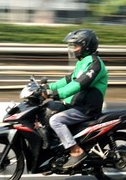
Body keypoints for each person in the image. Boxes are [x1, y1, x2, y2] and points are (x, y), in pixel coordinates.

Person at [43, 29, 109, 169]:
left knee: (56, 120)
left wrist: (55, 94)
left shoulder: (95, 65)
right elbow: (68, 80)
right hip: (76, 105)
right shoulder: (82, 62)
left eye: (76, 45)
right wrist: (46, 87)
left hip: (86, 108)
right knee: (47, 111)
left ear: (86, 46)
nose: (74, 48)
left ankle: (76, 151)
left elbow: (78, 84)